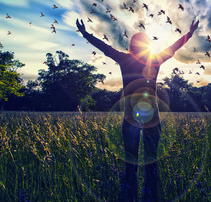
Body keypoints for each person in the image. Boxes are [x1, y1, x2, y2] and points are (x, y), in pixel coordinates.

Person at [76, 19, 199, 201]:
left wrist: (85, 34)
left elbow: (104, 47)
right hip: (151, 115)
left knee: (130, 160)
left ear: (132, 46)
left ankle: (130, 194)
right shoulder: (154, 60)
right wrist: (189, 34)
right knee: (151, 159)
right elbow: (173, 48)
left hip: (131, 116)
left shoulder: (124, 59)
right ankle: (151, 194)